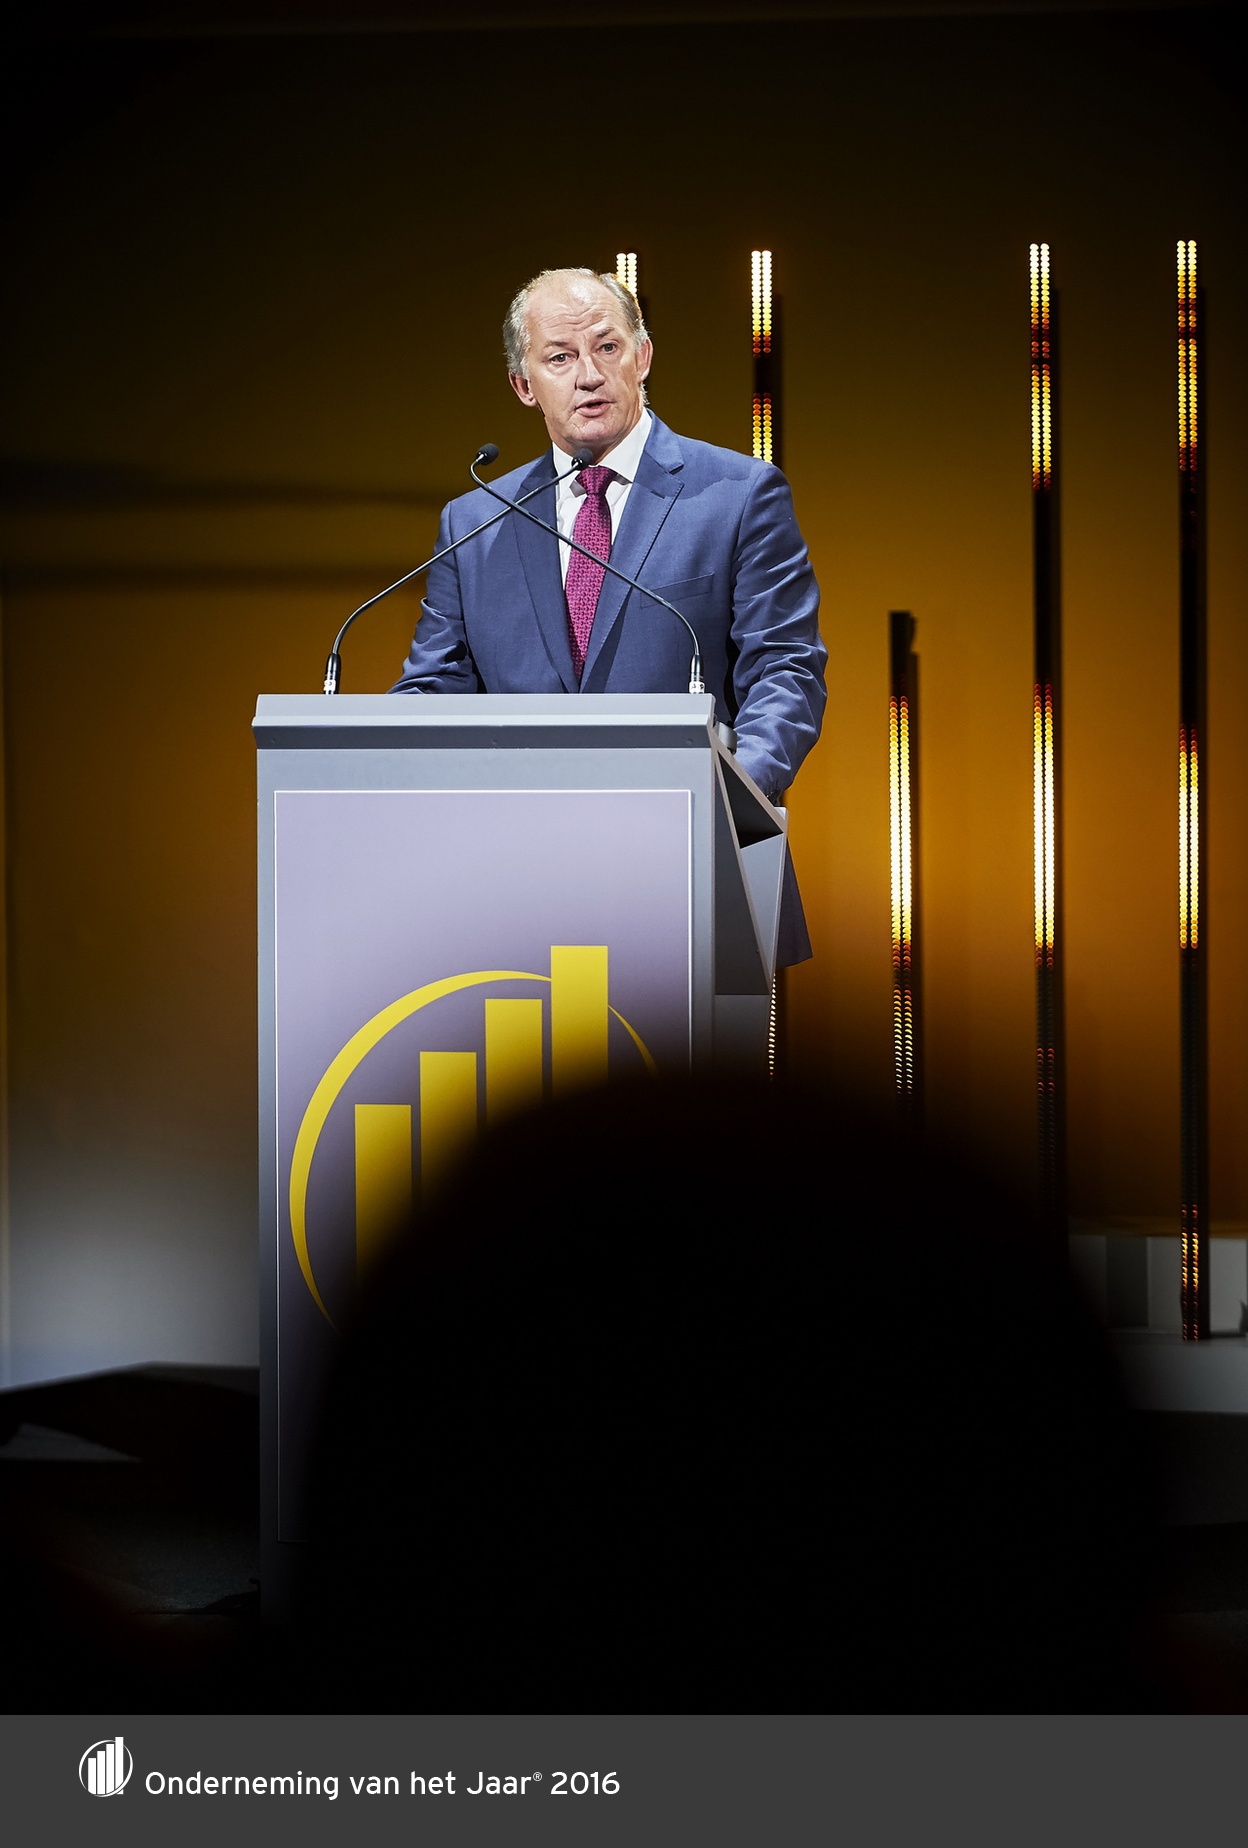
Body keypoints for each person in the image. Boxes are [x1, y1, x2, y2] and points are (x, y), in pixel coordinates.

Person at [390, 267, 827, 958]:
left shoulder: (737, 495)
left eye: (607, 347)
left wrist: (733, 794)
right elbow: (433, 687)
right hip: (513, 887)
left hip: (694, 870)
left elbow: (786, 670)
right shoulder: (475, 522)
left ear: (642, 356)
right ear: (524, 385)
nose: (589, 375)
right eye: (560, 358)